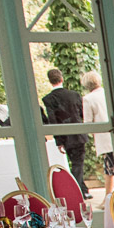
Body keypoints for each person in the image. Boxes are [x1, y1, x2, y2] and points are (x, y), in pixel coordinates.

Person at [40, 68, 86, 196]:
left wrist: (59, 141)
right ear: (62, 79)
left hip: (65, 137)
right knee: (78, 163)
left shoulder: (48, 99)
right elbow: (82, 114)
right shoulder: (74, 95)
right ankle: (77, 191)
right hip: (78, 134)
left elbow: (53, 121)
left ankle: (82, 188)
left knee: (76, 163)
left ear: (50, 81)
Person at [81, 71, 114, 198]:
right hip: (113, 136)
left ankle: (108, 199)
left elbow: (88, 123)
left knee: (109, 170)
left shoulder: (88, 99)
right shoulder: (108, 94)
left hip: (104, 138)